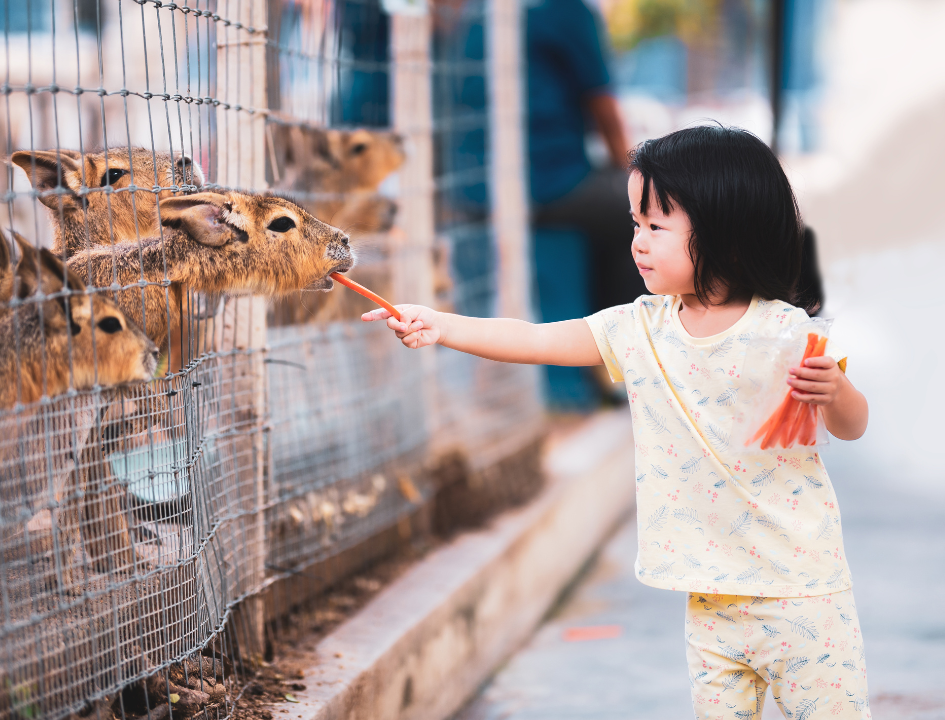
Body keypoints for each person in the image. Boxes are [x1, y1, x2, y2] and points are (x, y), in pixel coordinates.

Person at [365, 126, 871, 719]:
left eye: (657, 226)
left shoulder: (786, 332)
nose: (637, 241)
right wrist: (442, 325)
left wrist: (835, 392)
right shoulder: (639, 329)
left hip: (803, 595)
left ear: (729, 234)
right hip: (710, 599)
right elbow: (536, 339)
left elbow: (851, 424)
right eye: (635, 223)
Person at [526, 0, 645, 408]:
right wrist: (636, 175)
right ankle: (629, 362)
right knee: (645, 220)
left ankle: (605, 361)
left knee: (616, 216)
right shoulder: (569, 12)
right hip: (548, 183)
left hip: (481, 188)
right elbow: (604, 108)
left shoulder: (491, 13)